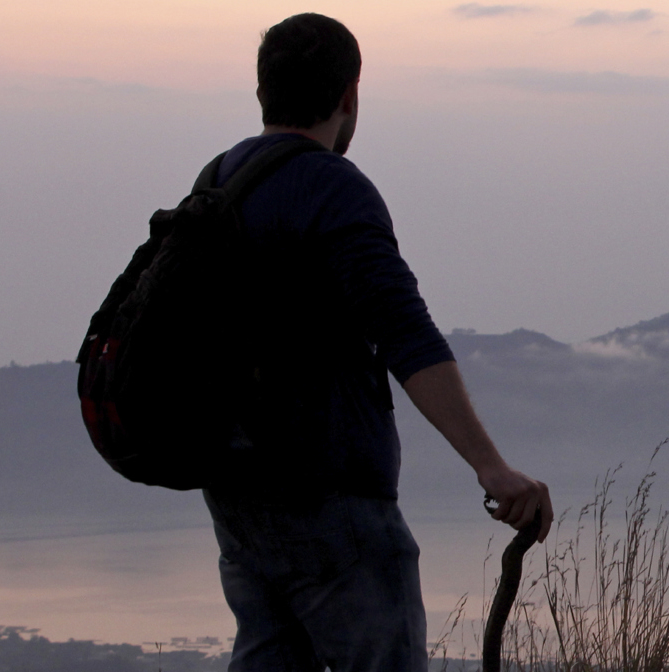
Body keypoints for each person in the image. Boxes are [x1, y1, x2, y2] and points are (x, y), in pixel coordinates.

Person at [196, 13, 553, 671]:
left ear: (262, 92)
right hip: (332, 500)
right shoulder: (332, 187)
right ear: (349, 96)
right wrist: (491, 467)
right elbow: (405, 335)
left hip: (240, 498)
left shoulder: (219, 180)